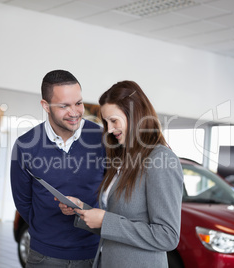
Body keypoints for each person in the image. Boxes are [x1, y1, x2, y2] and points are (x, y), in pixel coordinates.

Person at [59, 80, 184, 267]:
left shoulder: (161, 160)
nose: (109, 129)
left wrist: (105, 220)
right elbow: (117, 221)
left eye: (114, 121)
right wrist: (83, 211)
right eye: (106, 122)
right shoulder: (123, 158)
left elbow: (167, 236)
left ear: (135, 115)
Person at [11, 70, 106, 267]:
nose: (74, 112)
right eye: (64, 106)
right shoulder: (25, 146)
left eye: (78, 103)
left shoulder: (104, 140)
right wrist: (48, 229)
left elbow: (113, 194)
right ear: (46, 106)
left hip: (94, 254)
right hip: (44, 255)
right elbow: (23, 203)